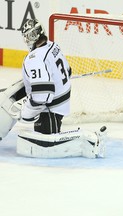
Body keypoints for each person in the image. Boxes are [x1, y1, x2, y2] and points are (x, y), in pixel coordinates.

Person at [4, 18, 106, 158]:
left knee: (47, 143)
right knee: (50, 136)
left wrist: (26, 113)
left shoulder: (34, 58)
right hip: (62, 101)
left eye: (30, 36)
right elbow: (68, 71)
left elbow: (42, 95)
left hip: (50, 108)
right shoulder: (53, 46)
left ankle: (90, 140)